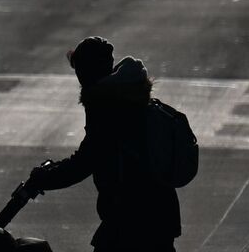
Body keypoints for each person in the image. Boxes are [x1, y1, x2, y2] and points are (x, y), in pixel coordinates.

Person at [23, 37, 181, 252]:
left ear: (86, 71)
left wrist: (44, 177)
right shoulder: (134, 98)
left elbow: (86, 160)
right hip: (160, 213)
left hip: (129, 218)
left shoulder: (107, 105)